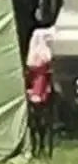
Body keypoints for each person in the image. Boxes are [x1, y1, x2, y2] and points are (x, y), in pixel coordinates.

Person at [25, 27, 54, 157]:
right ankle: (37, 145)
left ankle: (40, 145)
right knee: (37, 120)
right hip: (38, 91)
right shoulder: (38, 62)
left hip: (41, 91)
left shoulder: (42, 62)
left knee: (40, 120)